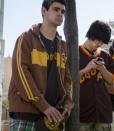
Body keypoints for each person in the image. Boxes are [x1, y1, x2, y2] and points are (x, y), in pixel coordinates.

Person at [8, 0, 73, 130]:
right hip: (26, 114)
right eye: (56, 9)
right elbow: (21, 74)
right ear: (44, 11)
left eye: (62, 11)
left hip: (52, 117)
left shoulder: (63, 46)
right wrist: (43, 105)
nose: (60, 14)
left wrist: (68, 103)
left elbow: (67, 78)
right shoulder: (26, 38)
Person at [79, 20, 114, 131]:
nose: (99, 44)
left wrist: (102, 68)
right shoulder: (74, 52)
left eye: (102, 42)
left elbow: (111, 81)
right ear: (91, 35)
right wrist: (85, 69)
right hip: (81, 115)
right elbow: (66, 80)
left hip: (103, 114)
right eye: (98, 40)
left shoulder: (105, 55)